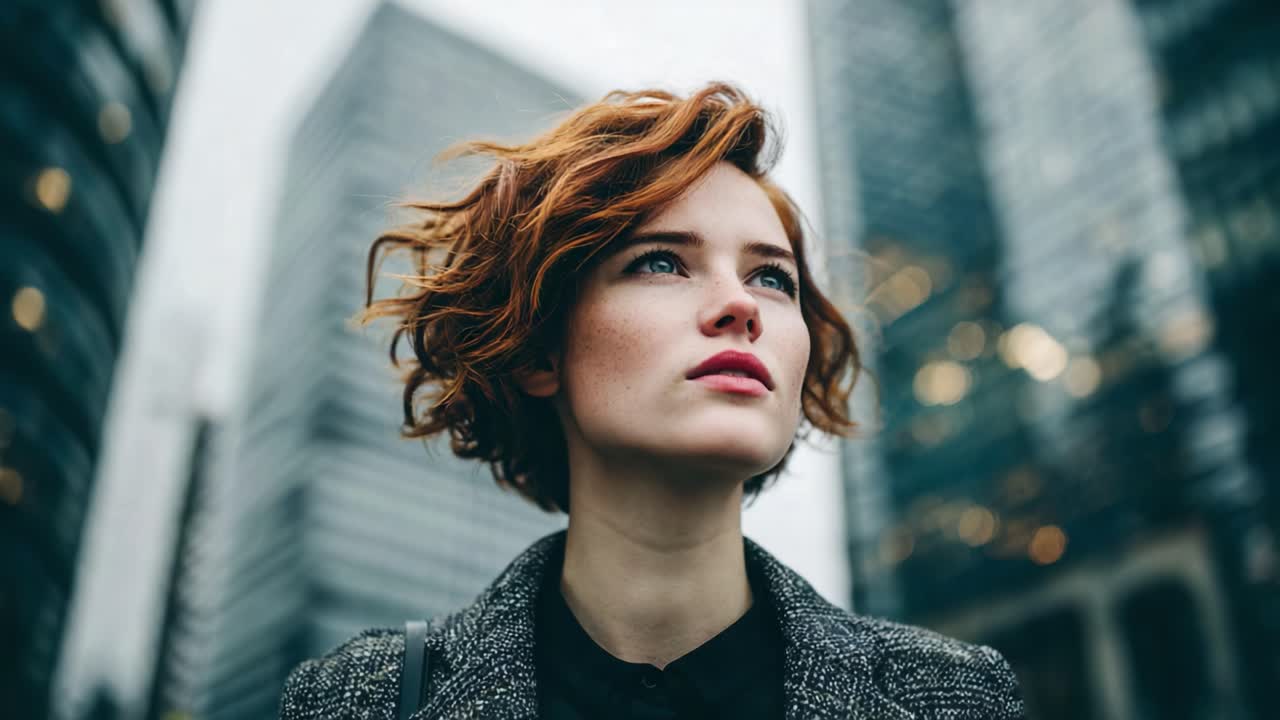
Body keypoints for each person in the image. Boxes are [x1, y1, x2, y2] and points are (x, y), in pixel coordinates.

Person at [277, 81, 1025, 719]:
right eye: (662, 261)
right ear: (541, 348)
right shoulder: (360, 699)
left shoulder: (953, 696)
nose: (741, 305)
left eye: (772, 278)